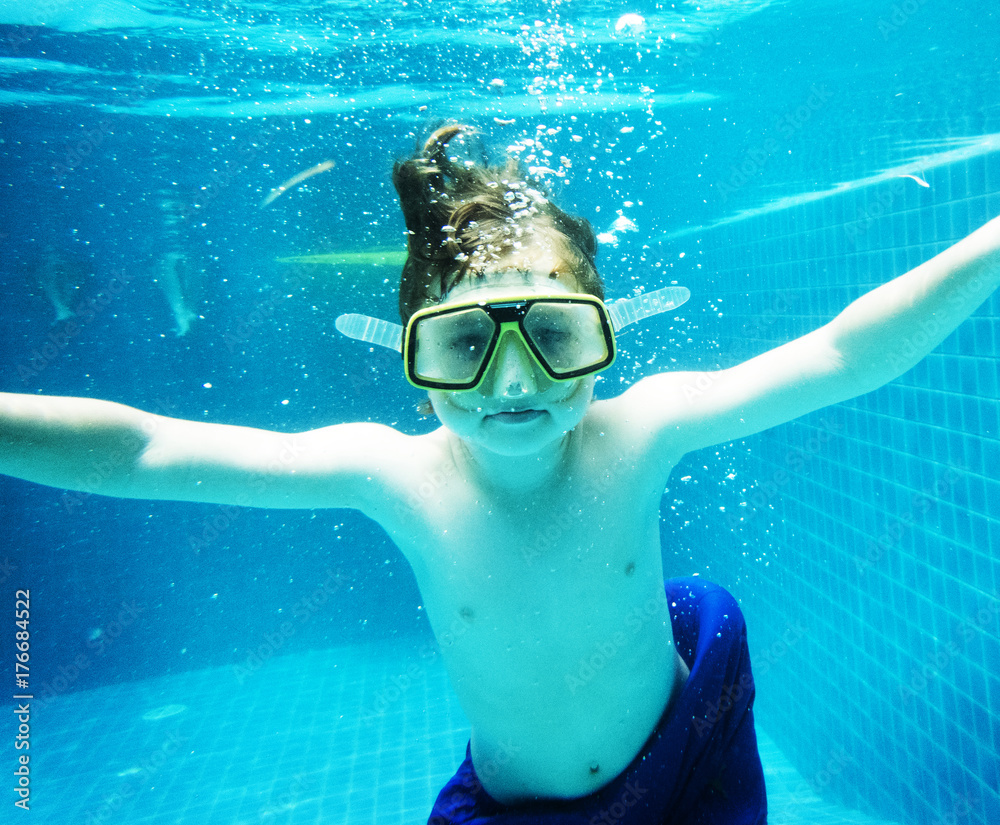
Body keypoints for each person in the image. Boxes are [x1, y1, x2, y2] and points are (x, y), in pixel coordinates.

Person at [2, 124, 998, 824]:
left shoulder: (639, 430)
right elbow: (144, 449)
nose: (513, 381)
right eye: (465, 343)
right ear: (411, 357)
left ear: (604, 346)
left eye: (554, 334)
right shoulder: (393, 475)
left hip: (686, 756)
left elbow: (839, 355)